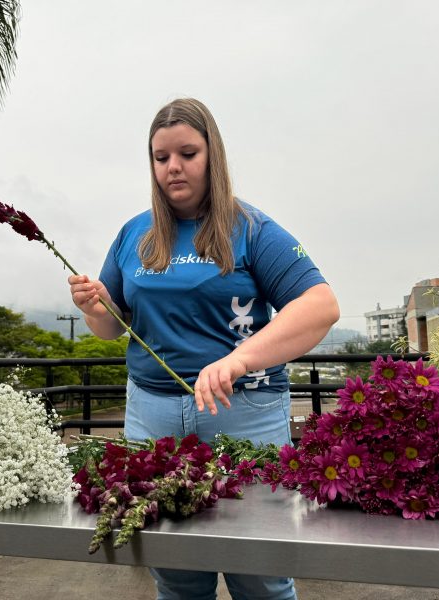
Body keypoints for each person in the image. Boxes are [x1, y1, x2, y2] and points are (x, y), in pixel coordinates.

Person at [68, 97, 339, 600]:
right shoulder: (134, 234)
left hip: (246, 414)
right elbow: (110, 329)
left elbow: (320, 305)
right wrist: (94, 305)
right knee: (175, 569)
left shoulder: (251, 228)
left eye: (187, 153)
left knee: (259, 571)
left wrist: (239, 360)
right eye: (160, 156)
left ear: (212, 154)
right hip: (152, 418)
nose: (173, 166)